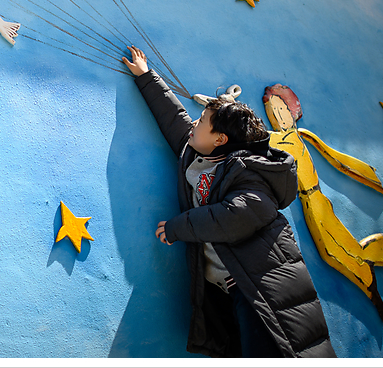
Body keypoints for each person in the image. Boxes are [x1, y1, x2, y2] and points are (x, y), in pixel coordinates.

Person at [122, 45, 335, 358]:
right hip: (234, 287)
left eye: (202, 121)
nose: (194, 124)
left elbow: (234, 216)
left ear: (220, 139)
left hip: (263, 288)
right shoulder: (197, 154)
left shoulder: (251, 171)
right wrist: (145, 76)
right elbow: (174, 119)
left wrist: (178, 227)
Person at [263, 83, 383, 322]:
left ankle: (373, 277)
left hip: (315, 200)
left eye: (282, 110)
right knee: (337, 251)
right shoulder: (287, 137)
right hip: (309, 201)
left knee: (331, 251)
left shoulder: (292, 138)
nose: (278, 116)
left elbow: (331, 156)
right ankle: (377, 263)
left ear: (293, 111)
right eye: (274, 111)